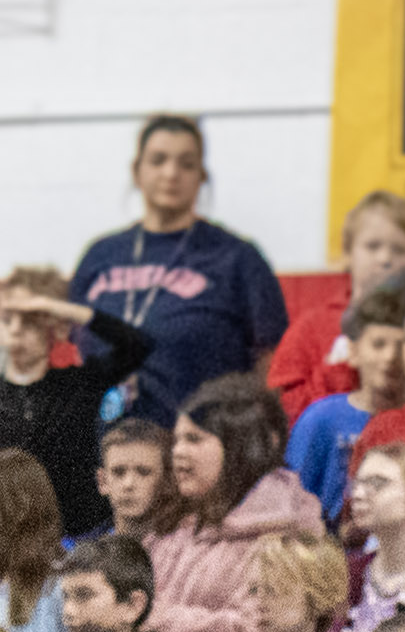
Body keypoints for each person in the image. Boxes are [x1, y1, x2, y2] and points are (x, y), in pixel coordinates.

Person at [72, 113, 289, 414]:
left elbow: (271, 365)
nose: (171, 173)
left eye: (186, 164)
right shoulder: (100, 255)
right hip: (107, 442)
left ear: (202, 176)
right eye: (158, 160)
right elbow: (75, 350)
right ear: (137, 172)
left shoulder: (237, 257)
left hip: (197, 441)